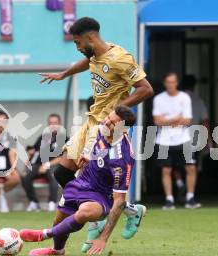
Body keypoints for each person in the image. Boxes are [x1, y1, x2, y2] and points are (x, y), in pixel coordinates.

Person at [39, 17, 153, 244]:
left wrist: (118, 110)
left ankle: (98, 214)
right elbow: (89, 62)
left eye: (77, 42)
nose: (78, 47)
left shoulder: (120, 58)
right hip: (91, 121)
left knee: (90, 174)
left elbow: (146, 89)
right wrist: (63, 74)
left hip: (108, 126)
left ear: (89, 37)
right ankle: (129, 210)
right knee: (62, 172)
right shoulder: (94, 54)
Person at [20, 106, 145, 256]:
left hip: (101, 197)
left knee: (84, 212)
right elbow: (98, 146)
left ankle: (43, 234)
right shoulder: (101, 129)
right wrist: (89, 156)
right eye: (108, 118)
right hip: (81, 183)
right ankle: (57, 250)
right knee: (59, 220)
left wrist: (103, 238)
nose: (106, 122)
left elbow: (119, 201)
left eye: (112, 123)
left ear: (123, 130)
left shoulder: (122, 159)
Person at [153, 72, 201, 210]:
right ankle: (169, 199)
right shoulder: (158, 99)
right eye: (168, 82)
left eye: (173, 82)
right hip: (163, 140)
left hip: (184, 138)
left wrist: (166, 120)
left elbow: (187, 120)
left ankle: (190, 197)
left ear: (177, 83)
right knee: (166, 170)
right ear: (164, 83)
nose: (171, 85)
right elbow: (157, 121)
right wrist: (175, 119)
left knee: (191, 167)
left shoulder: (184, 97)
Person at [172, 75, 211, 203]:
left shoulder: (175, 100)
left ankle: (179, 183)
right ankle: (190, 194)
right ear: (194, 86)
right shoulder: (198, 101)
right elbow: (204, 122)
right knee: (191, 167)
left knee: (174, 165)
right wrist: (208, 140)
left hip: (176, 137)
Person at [22, 113, 67, 212]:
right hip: (38, 164)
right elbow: (34, 152)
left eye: (55, 123)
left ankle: (51, 203)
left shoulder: (64, 138)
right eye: (51, 123)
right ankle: (34, 203)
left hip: (53, 165)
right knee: (25, 177)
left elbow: (63, 157)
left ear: (60, 124)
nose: (53, 125)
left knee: (54, 175)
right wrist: (26, 165)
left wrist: (47, 165)